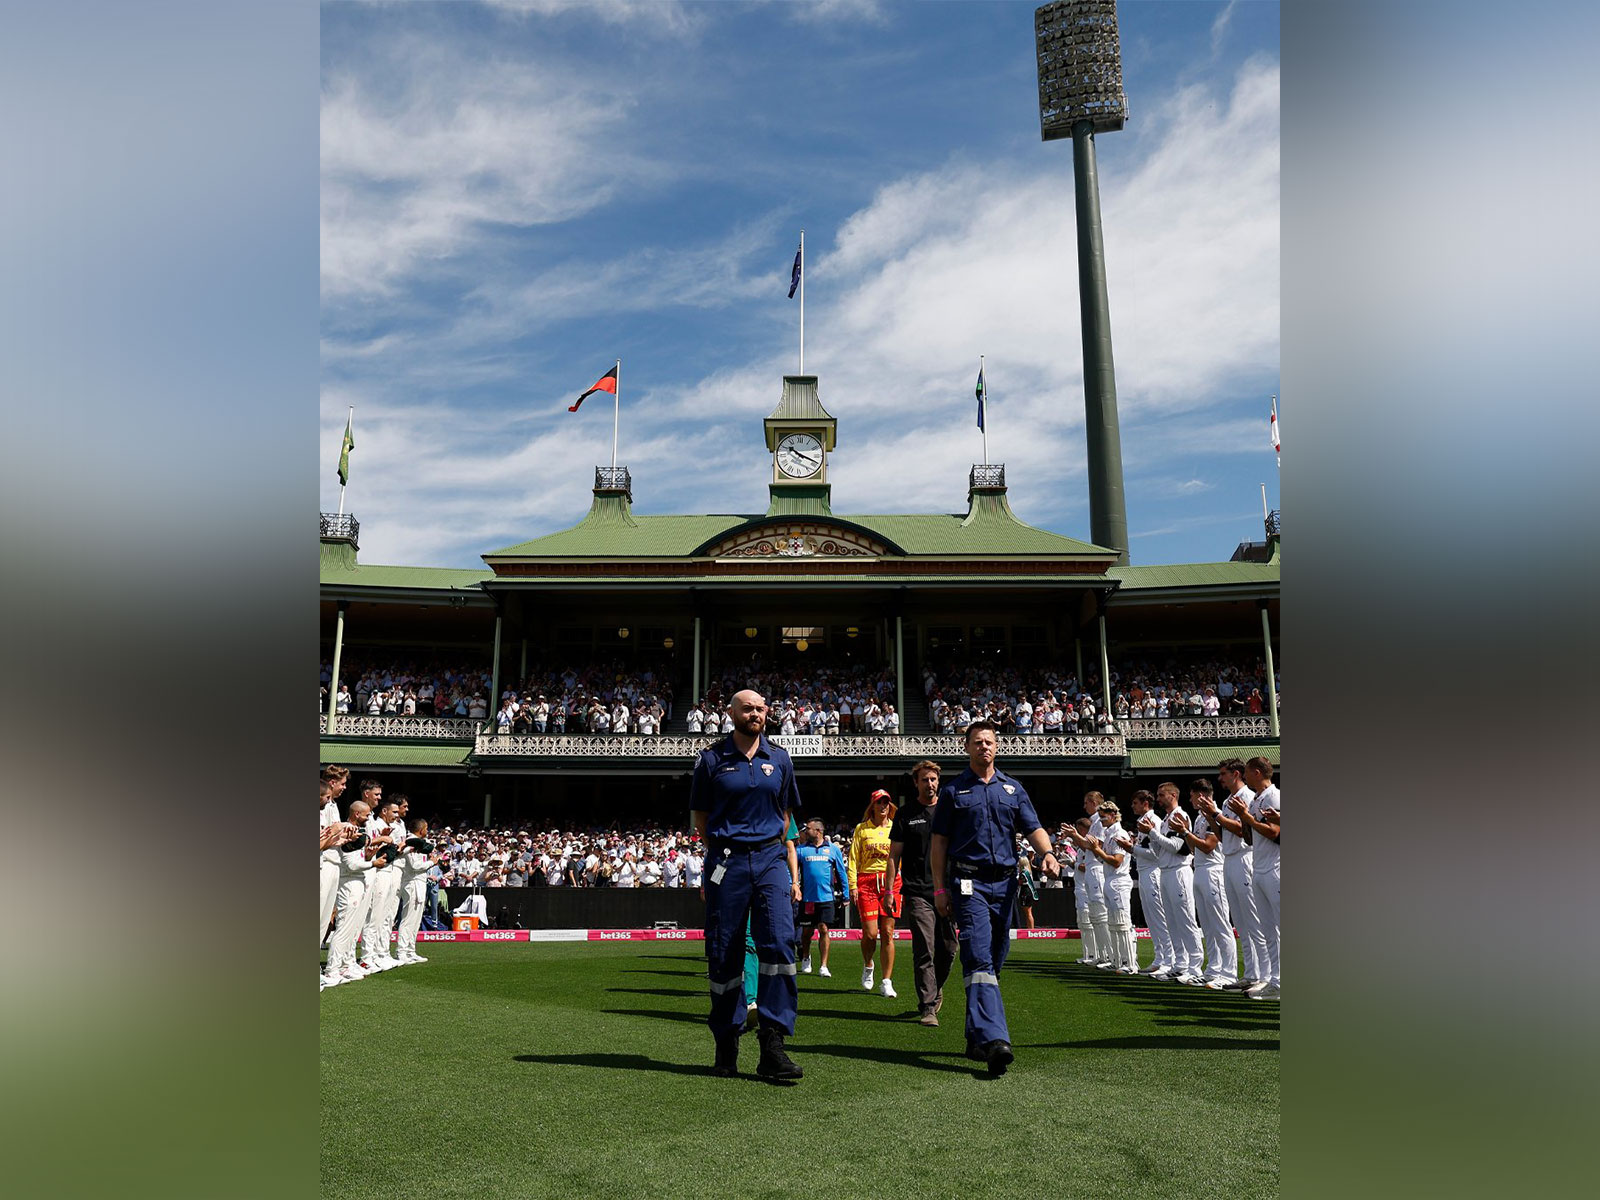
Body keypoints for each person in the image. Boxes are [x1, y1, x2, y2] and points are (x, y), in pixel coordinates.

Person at [930, 720, 1059, 1076]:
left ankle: (974, 1035)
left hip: (1004, 886)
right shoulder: (954, 791)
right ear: (966, 747)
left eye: (989, 741)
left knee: (995, 958)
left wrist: (1046, 853)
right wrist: (940, 888)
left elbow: (1033, 828)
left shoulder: (1013, 789)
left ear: (996, 747)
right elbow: (938, 843)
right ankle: (995, 1040)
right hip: (968, 885)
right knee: (979, 957)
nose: (983, 747)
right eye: (977, 742)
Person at [690, 689, 804, 1081]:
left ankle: (773, 1045)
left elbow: (784, 813)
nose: (754, 714)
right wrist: (726, 851)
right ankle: (727, 1039)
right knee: (725, 952)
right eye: (747, 709)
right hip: (728, 861)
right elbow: (700, 818)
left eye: (760, 709)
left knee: (779, 944)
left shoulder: (781, 759)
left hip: (771, 858)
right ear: (732, 714)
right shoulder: (710, 760)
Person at [888, 760, 959, 1026]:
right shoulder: (905, 813)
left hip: (948, 890)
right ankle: (927, 1006)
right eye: (924, 780)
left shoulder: (950, 810)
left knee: (950, 948)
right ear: (915, 783)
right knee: (924, 949)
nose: (929, 784)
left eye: (933, 779)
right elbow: (894, 855)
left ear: (938, 781)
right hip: (917, 890)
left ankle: (936, 988)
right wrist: (889, 889)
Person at [1209, 757, 1267, 992]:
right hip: (1229, 858)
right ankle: (1251, 973)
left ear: (1236, 774)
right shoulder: (1226, 801)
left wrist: (1217, 817)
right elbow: (1222, 835)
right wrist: (1211, 816)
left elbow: (1245, 831)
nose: (1220, 778)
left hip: (1245, 858)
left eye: (1223, 773)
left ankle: (1266, 975)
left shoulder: (1247, 797)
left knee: (1254, 921)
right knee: (1241, 923)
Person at [1179, 777, 1235, 988]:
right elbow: (1195, 849)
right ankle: (1213, 969)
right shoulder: (1199, 818)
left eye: (1192, 796)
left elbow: (1209, 846)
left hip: (1214, 871)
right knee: (1208, 926)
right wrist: (1187, 833)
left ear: (1201, 795)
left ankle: (1228, 973)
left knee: (1220, 924)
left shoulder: (1213, 814)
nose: (1191, 800)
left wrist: (1185, 832)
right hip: (1200, 869)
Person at [1149, 782, 1206, 985]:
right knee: (1172, 921)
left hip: (1179, 871)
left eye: (1161, 794)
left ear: (1173, 795)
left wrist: (1154, 835)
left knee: (1186, 920)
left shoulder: (1180, 816)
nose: (1158, 798)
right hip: (1165, 871)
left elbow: (1178, 847)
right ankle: (1180, 964)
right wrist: (1153, 838)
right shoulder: (1166, 819)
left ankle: (1195, 967)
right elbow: (1160, 852)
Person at [849, 789, 901, 998]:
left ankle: (886, 981)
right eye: (879, 803)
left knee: (888, 932)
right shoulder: (862, 829)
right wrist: (853, 885)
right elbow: (853, 859)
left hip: (891, 882)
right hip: (867, 883)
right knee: (870, 934)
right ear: (873, 806)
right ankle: (868, 964)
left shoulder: (896, 828)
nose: (883, 807)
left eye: (886, 803)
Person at [1238, 756, 1280, 999]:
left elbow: (1276, 833)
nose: (1244, 777)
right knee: (1268, 929)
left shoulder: (1274, 796)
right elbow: (1251, 838)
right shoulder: (1256, 798)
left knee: (1278, 927)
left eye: (1246, 772)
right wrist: (1246, 818)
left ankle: (1280, 982)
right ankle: (1275, 979)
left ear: (1256, 772)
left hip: (1274, 867)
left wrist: (1248, 818)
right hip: (1259, 866)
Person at [1120, 791, 1173, 977]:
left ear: (1145, 803)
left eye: (1135, 802)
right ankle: (1160, 957)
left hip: (1153, 871)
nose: (1133, 806)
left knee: (1160, 917)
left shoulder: (1154, 822)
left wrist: (1131, 849)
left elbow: (1156, 853)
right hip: (1143, 872)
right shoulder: (1143, 822)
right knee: (1151, 919)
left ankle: (1169, 960)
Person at [796, 817, 850, 978]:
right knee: (806, 931)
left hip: (826, 898)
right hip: (807, 899)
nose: (806, 831)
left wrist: (846, 894)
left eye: (809, 829)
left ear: (818, 831)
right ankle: (806, 957)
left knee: (824, 929)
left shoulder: (833, 849)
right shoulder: (801, 850)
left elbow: (841, 873)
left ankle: (823, 965)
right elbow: (792, 871)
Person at [1091, 801, 1138, 973]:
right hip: (1110, 879)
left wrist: (1098, 850)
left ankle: (1130, 964)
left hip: (1119, 880)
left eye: (1104, 815)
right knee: (1113, 922)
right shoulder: (1109, 833)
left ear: (1112, 815)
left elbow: (1116, 861)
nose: (1101, 819)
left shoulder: (1119, 833)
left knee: (1123, 922)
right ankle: (1118, 961)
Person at [393, 816, 433, 965]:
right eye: (426, 828)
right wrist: (432, 862)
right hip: (412, 882)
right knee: (409, 917)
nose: (427, 831)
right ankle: (401, 951)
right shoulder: (410, 841)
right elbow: (415, 866)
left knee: (416, 918)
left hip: (420, 882)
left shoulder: (421, 843)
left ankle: (410, 950)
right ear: (421, 829)